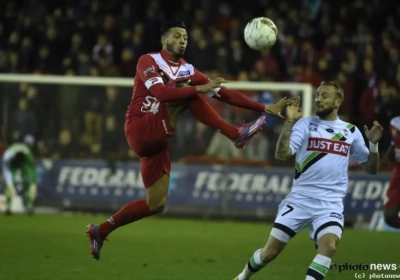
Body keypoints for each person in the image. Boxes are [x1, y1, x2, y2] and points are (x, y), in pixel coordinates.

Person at [86, 19, 297, 260]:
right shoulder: (148, 60)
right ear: (164, 40)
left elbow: (223, 93)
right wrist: (199, 88)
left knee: (156, 204)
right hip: (140, 127)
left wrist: (265, 107)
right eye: (176, 36)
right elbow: (162, 94)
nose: (182, 40)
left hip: (158, 140)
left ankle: (100, 230)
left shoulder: (187, 68)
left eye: (185, 37)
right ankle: (234, 133)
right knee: (187, 93)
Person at [233, 81, 383, 280]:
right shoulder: (305, 124)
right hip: (300, 200)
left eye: (324, 96)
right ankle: (242, 277)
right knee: (269, 253)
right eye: (318, 95)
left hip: (330, 204)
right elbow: (282, 154)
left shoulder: (350, 131)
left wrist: (373, 145)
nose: (318, 99)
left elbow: (372, 169)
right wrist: (289, 122)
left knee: (328, 247)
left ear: (338, 102)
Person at [2, 135, 37, 215]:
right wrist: (9, 184)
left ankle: (29, 204)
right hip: (12, 164)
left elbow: (32, 170)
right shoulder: (7, 156)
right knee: (9, 187)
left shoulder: (27, 154)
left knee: (29, 182)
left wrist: (33, 183)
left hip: (24, 163)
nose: (29, 146)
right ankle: (8, 205)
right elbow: (6, 171)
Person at [382, 115, 400, 228]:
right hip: (398, 176)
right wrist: (387, 157)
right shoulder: (395, 122)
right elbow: (394, 144)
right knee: (390, 215)